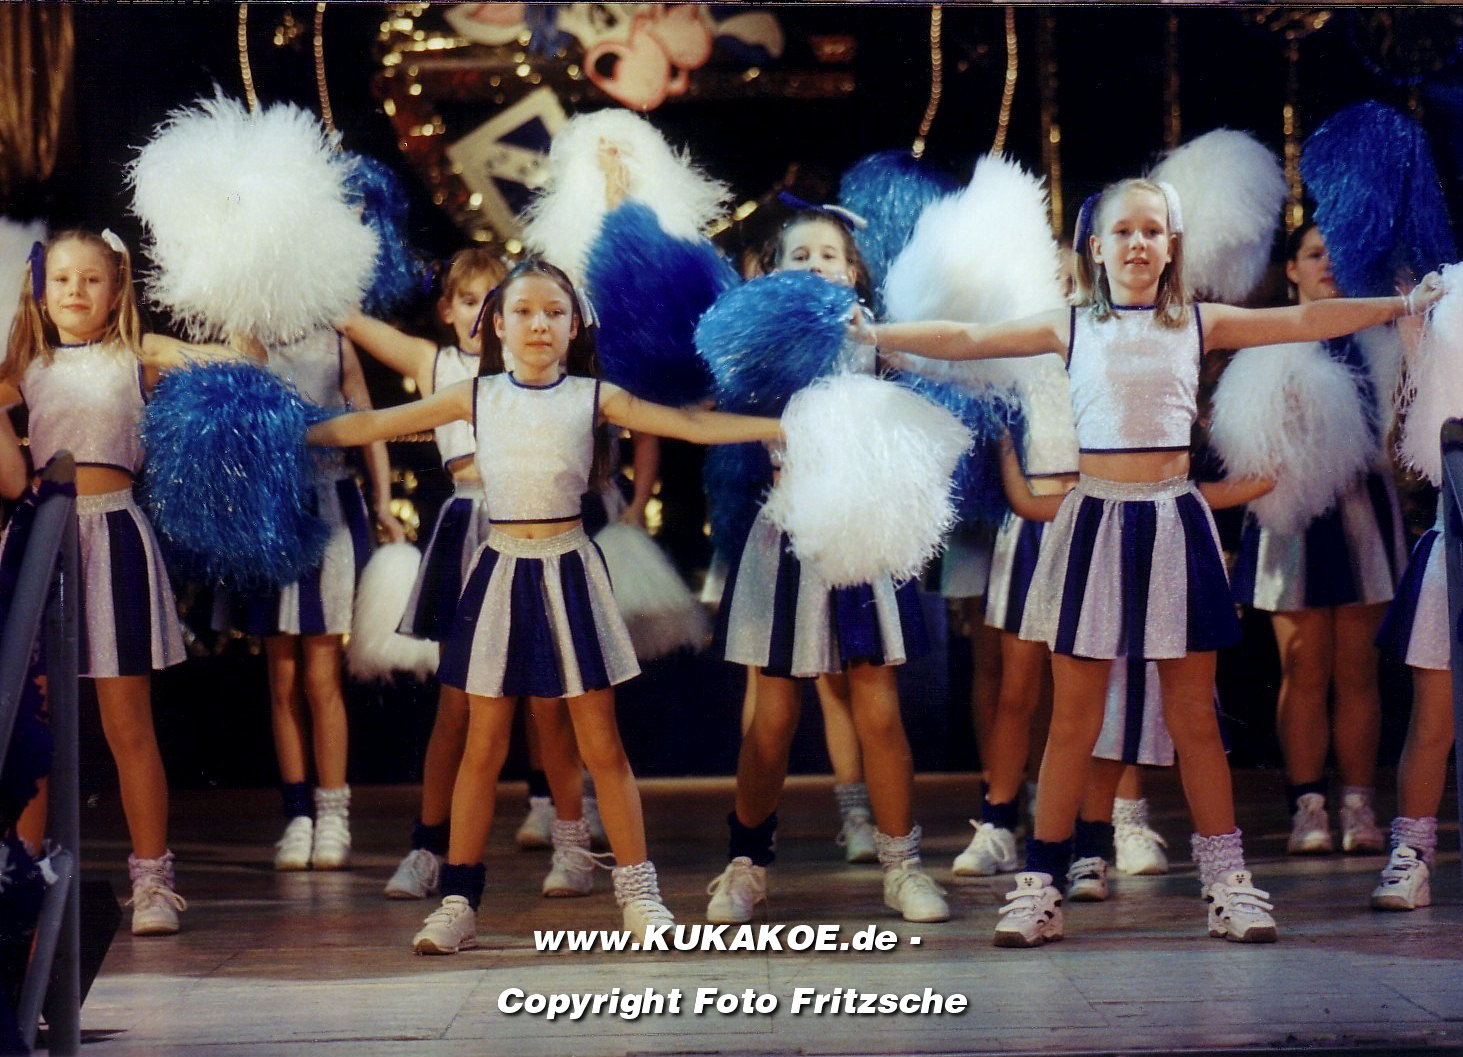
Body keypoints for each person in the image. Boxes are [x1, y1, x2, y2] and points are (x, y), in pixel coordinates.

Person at [866, 177, 1443, 947]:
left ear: (1170, 247)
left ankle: (1227, 883)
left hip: (1173, 519)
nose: (1137, 242)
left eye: (1151, 230)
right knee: (1073, 720)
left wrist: (1399, 306)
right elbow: (969, 339)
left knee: (1193, 716)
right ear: (1095, 247)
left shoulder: (1199, 323)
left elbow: (1304, 318)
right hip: (1094, 522)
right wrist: (875, 335)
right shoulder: (1069, 325)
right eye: (1123, 231)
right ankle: (1039, 886)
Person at [306, 258, 782, 953]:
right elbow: (371, 422)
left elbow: (686, 424)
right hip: (500, 570)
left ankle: (639, 893)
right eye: (523, 311)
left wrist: (780, 424)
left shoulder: (595, 396)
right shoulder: (474, 395)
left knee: (601, 743)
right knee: (483, 744)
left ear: (575, 325)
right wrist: (282, 430)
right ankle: (458, 902)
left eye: (554, 312)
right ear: (496, 325)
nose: (538, 324)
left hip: (570, 570)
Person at [707, 206, 948, 926]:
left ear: (852, 271)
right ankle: (746, 862)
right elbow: (709, 394)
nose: (815, 263)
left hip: (861, 536)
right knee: (773, 717)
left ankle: (902, 866)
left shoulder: (869, 331)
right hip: (788, 534)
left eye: (829, 254)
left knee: (878, 709)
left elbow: (938, 364)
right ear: (773, 271)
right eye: (799, 254)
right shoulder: (759, 334)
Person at [0, 230, 196, 934]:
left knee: (126, 721)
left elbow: (235, 366)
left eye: (91, 278)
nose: (75, 291)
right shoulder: (27, 366)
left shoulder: (137, 356)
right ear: (39, 291)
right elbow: (12, 476)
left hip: (114, 536)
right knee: (35, 722)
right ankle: (23, 873)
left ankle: (153, 881)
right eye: (61, 279)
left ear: (117, 290)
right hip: (41, 540)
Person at [1230, 222, 1400, 856]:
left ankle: (1358, 804)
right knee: (1302, 667)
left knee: (1358, 671)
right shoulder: (1267, 338)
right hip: (1291, 518)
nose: (1327, 262)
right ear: (1292, 268)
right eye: (1313, 253)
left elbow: (1400, 441)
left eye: (1336, 252)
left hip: (1363, 517)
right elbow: (1246, 444)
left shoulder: (1380, 338)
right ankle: (1307, 807)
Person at [212, 323, 402, 872]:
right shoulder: (245, 338)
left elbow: (369, 424)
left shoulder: (336, 341)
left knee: (322, 675)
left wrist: (384, 502)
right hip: (269, 514)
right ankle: (297, 817)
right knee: (283, 677)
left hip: (330, 509)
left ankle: (333, 813)